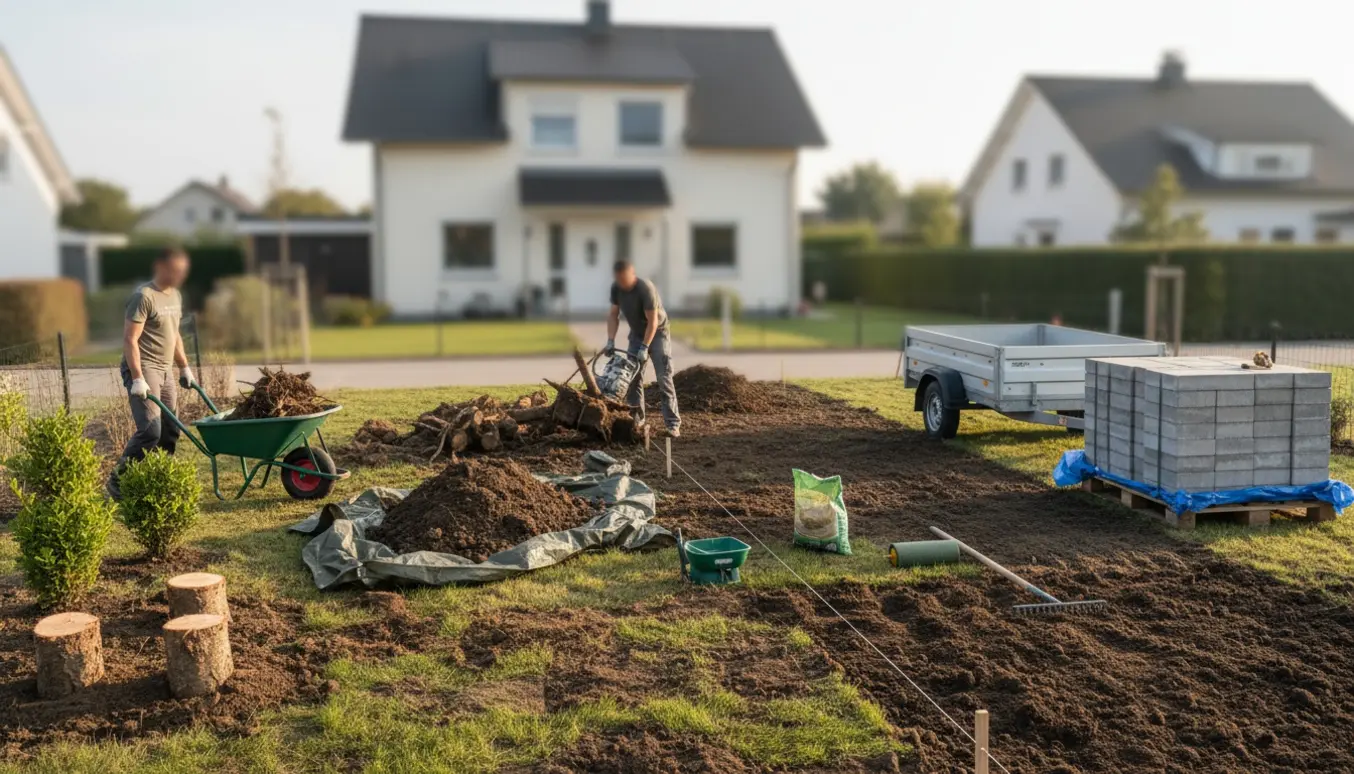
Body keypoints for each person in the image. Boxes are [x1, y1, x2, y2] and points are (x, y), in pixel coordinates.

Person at [107, 247, 195, 499]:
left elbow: (174, 333)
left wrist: (184, 366)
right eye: (175, 270)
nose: (179, 275)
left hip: (165, 368)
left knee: (170, 430)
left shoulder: (175, 296)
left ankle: (157, 476)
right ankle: (118, 480)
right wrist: (137, 378)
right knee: (150, 430)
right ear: (160, 266)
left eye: (183, 271)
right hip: (144, 367)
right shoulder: (143, 296)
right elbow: (130, 339)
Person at [606, 261, 680, 437]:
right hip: (637, 334)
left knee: (664, 377)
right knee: (633, 379)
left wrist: (645, 347)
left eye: (625, 279)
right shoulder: (616, 289)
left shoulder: (645, 288)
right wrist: (610, 341)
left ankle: (673, 424)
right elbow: (613, 315)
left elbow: (653, 322)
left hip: (658, 332)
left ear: (632, 274)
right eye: (619, 279)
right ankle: (636, 422)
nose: (622, 283)